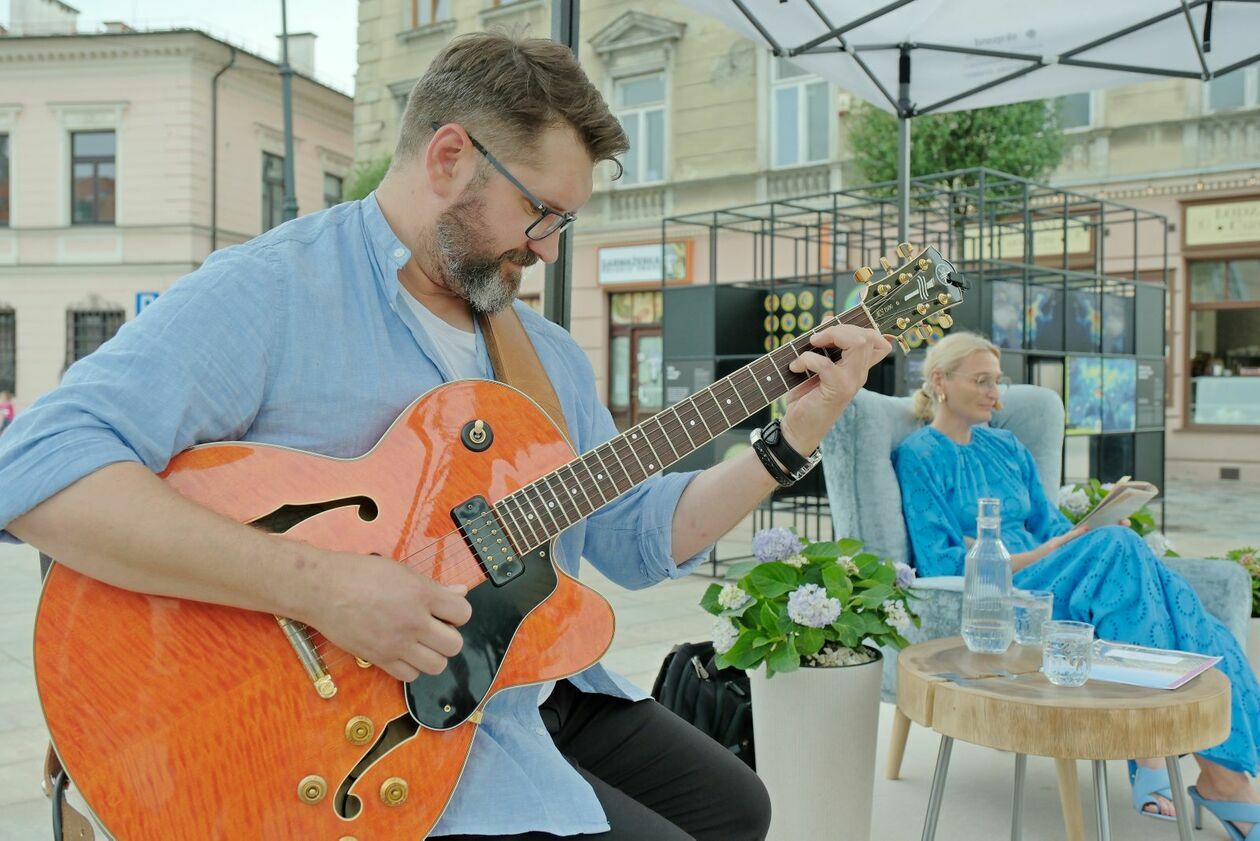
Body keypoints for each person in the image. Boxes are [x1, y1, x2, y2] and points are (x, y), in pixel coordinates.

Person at [0, 32, 890, 840]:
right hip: (348, 730)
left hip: (519, 682)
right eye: (540, 211)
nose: (547, 248)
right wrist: (326, 587)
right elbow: (35, 470)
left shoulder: (539, 350)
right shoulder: (271, 294)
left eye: (563, 224)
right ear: (451, 155)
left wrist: (787, 442)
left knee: (738, 805)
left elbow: (635, 537)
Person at [892, 331, 1260, 834]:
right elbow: (943, 560)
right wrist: (1058, 550)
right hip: (1009, 592)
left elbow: (1053, 527)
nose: (994, 394)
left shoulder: (1009, 446)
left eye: (997, 382)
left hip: (1059, 568)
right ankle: (1211, 778)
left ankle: (1202, 770)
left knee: (1184, 606)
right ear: (940, 381)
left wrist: (1099, 524)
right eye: (981, 381)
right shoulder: (920, 456)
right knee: (1121, 553)